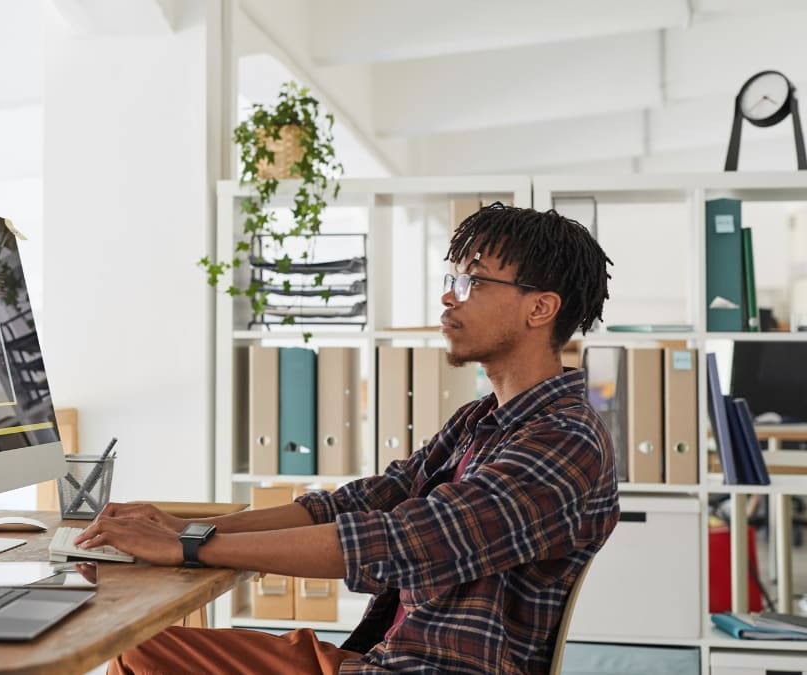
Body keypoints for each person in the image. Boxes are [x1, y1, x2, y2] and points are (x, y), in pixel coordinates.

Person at [76, 203, 621, 673]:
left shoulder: (565, 440)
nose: (449, 299)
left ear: (540, 307)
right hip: (385, 656)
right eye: (452, 281)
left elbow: (404, 541)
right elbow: (357, 504)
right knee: (146, 647)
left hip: (423, 668)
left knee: (140, 654)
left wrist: (191, 546)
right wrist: (193, 530)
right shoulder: (481, 420)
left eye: (472, 282)